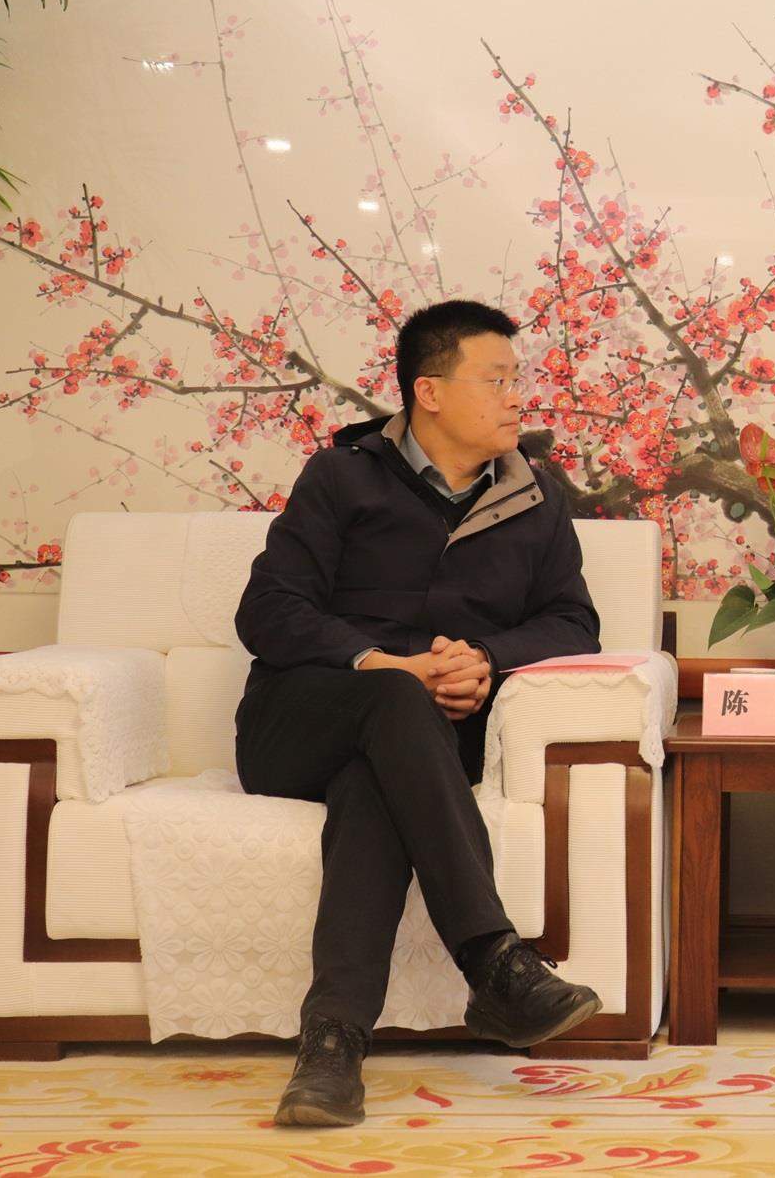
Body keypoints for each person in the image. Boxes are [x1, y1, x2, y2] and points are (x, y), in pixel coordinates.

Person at [234, 300, 604, 1127]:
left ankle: (330, 1051)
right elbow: (269, 610)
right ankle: (493, 959)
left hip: (420, 749)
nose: (518, 396)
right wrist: (385, 664)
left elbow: (574, 622)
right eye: (496, 379)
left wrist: (486, 660)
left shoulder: (535, 498)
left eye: (518, 379)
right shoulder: (342, 477)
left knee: (374, 787)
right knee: (395, 704)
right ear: (428, 391)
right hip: (300, 722)